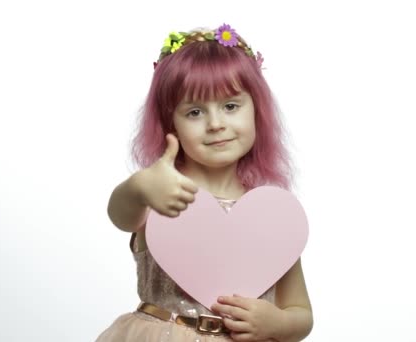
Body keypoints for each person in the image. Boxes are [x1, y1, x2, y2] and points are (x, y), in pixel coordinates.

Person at [96, 23, 313, 342]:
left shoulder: (271, 213)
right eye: (195, 112)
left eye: (230, 106)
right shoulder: (165, 190)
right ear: (171, 122)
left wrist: (278, 324)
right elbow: (121, 214)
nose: (215, 124)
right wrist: (140, 186)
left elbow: (300, 311)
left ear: (257, 110)